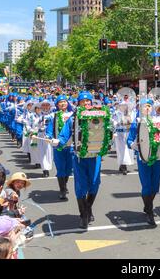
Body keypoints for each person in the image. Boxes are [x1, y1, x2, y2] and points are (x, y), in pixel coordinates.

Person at [52, 92, 104, 230]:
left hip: (95, 156)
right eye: (83, 102)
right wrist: (59, 141)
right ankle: (83, 215)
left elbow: (107, 130)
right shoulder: (73, 118)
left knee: (94, 183)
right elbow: (64, 134)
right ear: (78, 103)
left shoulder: (100, 116)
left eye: (88, 101)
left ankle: (88, 208)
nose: (86, 104)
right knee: (80, 186)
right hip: (79, 157)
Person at [127, 98, 160, 226]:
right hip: (143, 158)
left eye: (149, 106)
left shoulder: (158, 121)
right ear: (140, 108)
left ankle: (147, 205)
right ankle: (149, 211)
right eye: (144, 106)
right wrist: (134, 145)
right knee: (147, 185)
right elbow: (129, 140)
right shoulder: (136, 123)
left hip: (157, 157)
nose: (147, 108)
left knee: (155, 185)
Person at [46, 95, 74, 200]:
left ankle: (64, 184)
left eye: (64, 102)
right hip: (58, 146)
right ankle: (62, 189)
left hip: (70, 146)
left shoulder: (73, 115)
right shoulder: (54, 116)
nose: (63, 104)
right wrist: (49, 137)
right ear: (57, 105)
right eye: (60, 102)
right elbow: (49, 130)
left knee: (69, 169)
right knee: (61, 168)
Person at [112, 95, 135, 175]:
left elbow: (133, 122)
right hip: (119, 133)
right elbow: (113, 122)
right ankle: (123, 166)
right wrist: (119, 123)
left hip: (128, 133)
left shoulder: (131, 113)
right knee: (122, 149)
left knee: (128, 150)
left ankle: (122, 164)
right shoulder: (116, 113)